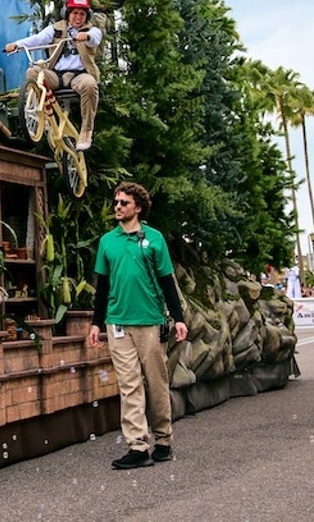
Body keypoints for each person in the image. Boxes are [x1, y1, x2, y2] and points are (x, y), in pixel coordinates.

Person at [88, 181, 188, 470]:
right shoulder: (108, 241)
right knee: (129, 385)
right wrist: (96, 323)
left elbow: (168, 282)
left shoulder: (154, 239)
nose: (117, 207)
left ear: (138, 207)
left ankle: (164, 439)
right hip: (117, 322)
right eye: (115, 202)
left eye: (123, 203)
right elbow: (102, 286)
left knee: (156, 382)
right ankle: (137, 446)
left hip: (150, 321)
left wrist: (178, 318)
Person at [4, 0, 103, 150]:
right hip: (57, 74)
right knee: (33, 72)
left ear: (87, 16)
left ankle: (86, 131)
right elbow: (37, 39)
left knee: (90, 85)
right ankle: (41, 116)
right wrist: (16, 45)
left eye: (82, 14)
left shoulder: (92, 30)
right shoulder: (56, 28)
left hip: (79, 75)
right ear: (68, 13)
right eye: (75, 13)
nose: (78, 17)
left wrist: (86, 36)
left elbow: (95, 38)